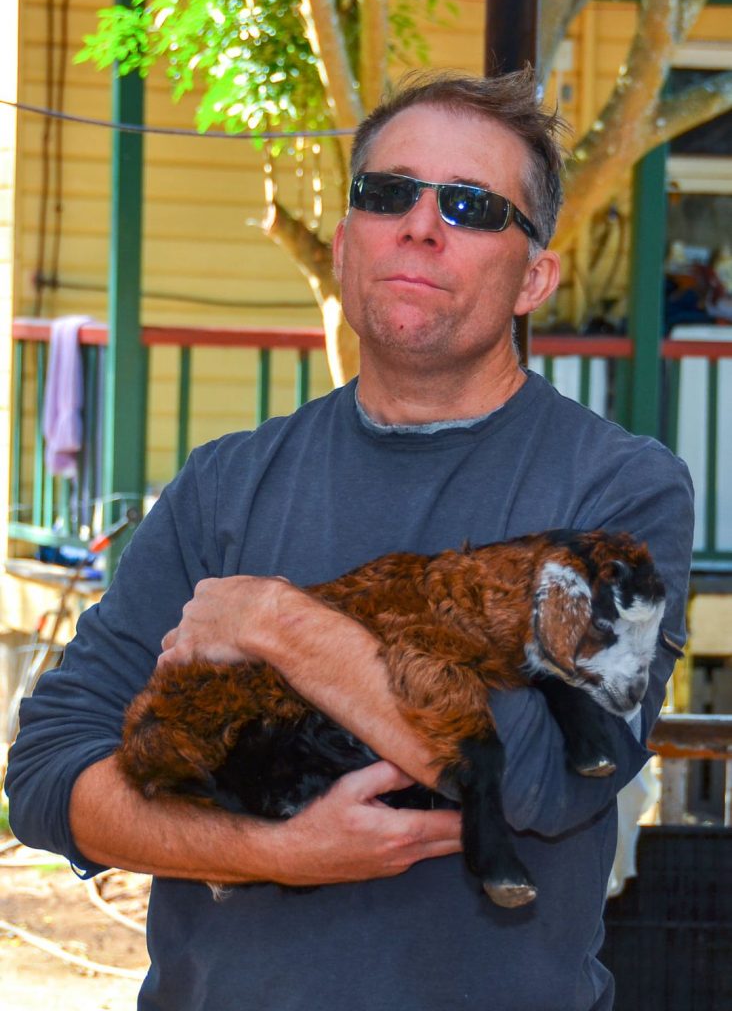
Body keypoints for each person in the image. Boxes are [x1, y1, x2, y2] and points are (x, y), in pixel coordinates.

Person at [6, 69, 694, 1010]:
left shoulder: (622, 490)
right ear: (343, 245)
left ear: (536, 275)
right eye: (387, 194)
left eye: (470, 205)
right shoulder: (224, 484)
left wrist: (282, 624)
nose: (420, 223)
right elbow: (46, 773)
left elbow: (556, 779)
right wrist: (273, 853)